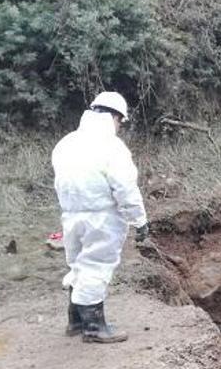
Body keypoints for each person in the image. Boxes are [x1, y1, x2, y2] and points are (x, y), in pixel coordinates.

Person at [52, 91, 149, 343]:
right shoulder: (112, 148)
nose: (119, 126)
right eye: (121, 121)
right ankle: (94, 327)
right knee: (96, 267)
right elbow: (126, 188)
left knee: (78, 265)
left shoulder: (67, 142)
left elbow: (61, 180)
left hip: (71, 216)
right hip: (101, 218)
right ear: (116, 117)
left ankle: (75, 321)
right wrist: (139, 220)